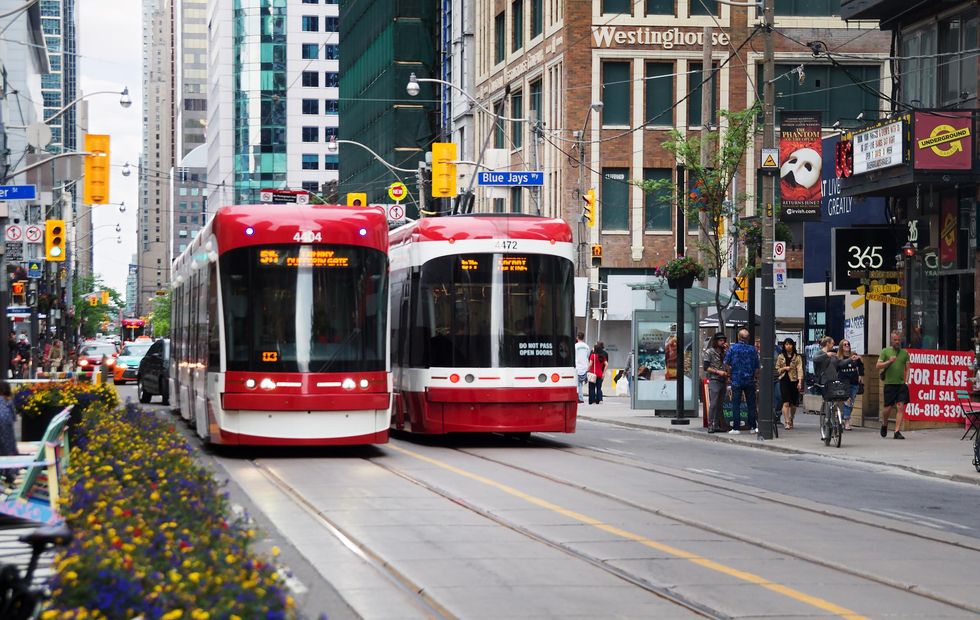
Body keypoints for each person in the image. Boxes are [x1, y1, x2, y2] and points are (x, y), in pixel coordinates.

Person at [724, 329, 760, 434]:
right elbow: (757, 366)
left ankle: (736, 428)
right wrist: (755, 376)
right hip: (749, 380)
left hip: (736, 379)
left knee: (736, 404)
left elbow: (726, 362)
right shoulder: (753, 350)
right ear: (748, 338)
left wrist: (730, 373)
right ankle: (753, 426)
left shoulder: (733, 348)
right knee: (751, 404)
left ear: (738, 337)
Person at [877, 330, 910, 439]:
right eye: (895, 340)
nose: (897, 342)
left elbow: (908, 368)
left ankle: (897, 431)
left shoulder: (905, 353)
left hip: (901, 384)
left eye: (899, 340)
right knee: (887, 408)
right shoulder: (885, 351)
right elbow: (878, 365)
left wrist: (907, 381)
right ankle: (884, 424)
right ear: (891, 340)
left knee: (900, 407)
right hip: (889, 384)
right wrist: (889, 362)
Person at [703, 332, 730, 433]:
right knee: (713, 403)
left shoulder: (725, 352)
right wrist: (718, 372)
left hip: (724, 380)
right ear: (716, 341)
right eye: (720, 340)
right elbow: (706, 367)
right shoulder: (709, 352)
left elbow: (730, 361)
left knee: (720, 404)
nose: (723, 342)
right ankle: (710, 425)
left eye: (724, 340)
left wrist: (728, 349)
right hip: (714, 379)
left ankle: (717, 424)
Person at [775, 338, 804, 430]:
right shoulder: (781, 356)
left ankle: (791, 418)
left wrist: (800, 382)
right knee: (785, 402)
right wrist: (784, 368)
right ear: (784, 345)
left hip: (794, 381)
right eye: (786, 344)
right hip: (784, 380)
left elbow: (800, 369)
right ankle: (787, 421)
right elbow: (777, 369)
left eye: (790, 344)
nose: (788, 346)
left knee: (794, 404)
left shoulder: (797, 357)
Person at [836, 340, 864, 431]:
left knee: (851, 402)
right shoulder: (839, 357)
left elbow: (861, 365)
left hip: (854, 381)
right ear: (841, 347)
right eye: (845, 344)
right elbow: (838, 366)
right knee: (847, 401)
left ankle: (845, 418)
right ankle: (847, 421)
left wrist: (860, 375)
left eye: (848, 344)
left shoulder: (854, 355)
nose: (847, 345)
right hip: (843, 381)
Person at [574, 332, 590, 404]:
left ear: (577, 337)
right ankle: (580, 397)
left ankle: (580, 398)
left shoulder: (575, 346)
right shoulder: (587, 346)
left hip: (577, 366)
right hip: (584, 367)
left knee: (578, 384)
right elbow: (588, 356)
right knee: (580, 383)